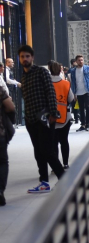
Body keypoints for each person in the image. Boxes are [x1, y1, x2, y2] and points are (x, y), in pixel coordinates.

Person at [19, 45, 65, 193]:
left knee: (48, 151)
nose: (25, 59)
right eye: (22, 57)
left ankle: (65, 181)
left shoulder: (41, 72)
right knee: (38, 152)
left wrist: (53, 113)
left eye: (27, 56)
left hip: (45, 118)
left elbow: (50, 92)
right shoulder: (24, 76)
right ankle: (44, 182)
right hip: (31, 120)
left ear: (32, 58)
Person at [49, 62, 74, 169]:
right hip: (65, 116)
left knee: (53, 143)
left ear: (49, 70)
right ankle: (65, 163)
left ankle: (56, 166)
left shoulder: (46, 84)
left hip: (51, 117)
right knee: (64, 141)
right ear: (60, 71)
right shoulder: (65, 83)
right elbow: (71, 99)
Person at [70, 54, 89, 131]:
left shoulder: (88, 68)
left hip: (87, 90)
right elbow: (73, 82)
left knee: (88, 107)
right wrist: (74, 93)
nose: (81, 61)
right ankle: (83, 124)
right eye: (79, 60)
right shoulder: (73, 71)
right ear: (76, 61)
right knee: (81, 108)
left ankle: (88, 124)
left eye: (82, 60)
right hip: (78, 91)